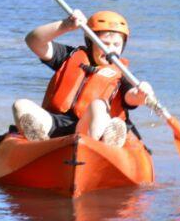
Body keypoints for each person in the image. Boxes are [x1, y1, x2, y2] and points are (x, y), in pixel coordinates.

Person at [10, 10, 155, 148]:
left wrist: (141, 95)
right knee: (20, 105)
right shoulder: (68, 56)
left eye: (116, 45)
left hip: (88, 129)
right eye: (104, 43)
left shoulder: (123, 74)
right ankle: (41, 146)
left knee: (98, 105)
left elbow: (131, 98)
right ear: (90, 41)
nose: (110, 49)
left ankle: (107, 141)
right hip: (55, 124)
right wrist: (65, 25)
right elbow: (33, 41)